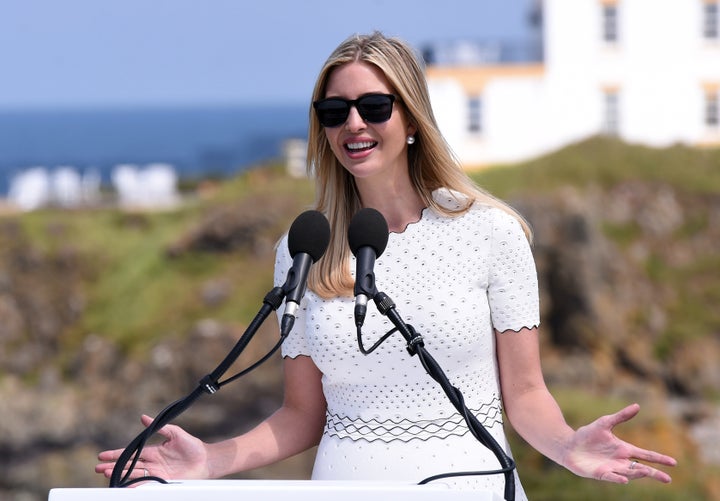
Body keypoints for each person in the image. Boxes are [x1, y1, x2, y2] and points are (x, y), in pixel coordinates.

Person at [96, 32, 676, 499]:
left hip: (468, 488)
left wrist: (568, 446)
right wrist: (210, 461)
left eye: (374, 106)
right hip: (345, 487)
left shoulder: (490, 232)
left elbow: (525, 395)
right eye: (334, 110)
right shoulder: (304, 248)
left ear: (412, 119)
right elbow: (301, 415)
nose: (354, 123)